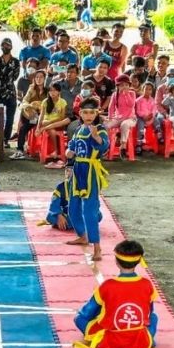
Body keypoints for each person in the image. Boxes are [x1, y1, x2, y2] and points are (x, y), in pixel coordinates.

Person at [74, 239, 157, 348]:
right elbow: (149, 312)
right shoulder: (147, 284)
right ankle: (149, 340)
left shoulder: (107, 285)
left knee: (79, 318)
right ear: (138, 261)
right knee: (154, 317)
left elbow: (87, 312)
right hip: (139, 339)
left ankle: (96, 338)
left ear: (116, 262)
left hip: (110, 340)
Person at [65, 99, 110, 260]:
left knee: (89, 211)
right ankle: (82, 235)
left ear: (97, 113)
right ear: (80, 114)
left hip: (91, 170)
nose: (89, 115)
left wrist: (96, 137)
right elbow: (71, 146)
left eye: (92, 112)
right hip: (77, 170)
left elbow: (104, 147)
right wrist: (68, 153)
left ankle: (97, 247)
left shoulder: (100, 129)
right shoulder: (78, 129)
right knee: (73, 207)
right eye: (85, 112)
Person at [44, 167, 74, 232]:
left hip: (80, 214)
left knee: (98, 215)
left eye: (70, 171)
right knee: (50, 217)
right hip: (65, 214)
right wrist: (59, 215)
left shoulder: (84, 185)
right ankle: (72, 224)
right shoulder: (61, 186)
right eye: (67, 171)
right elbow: (54, 203)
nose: (68, 173)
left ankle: (66, 224)